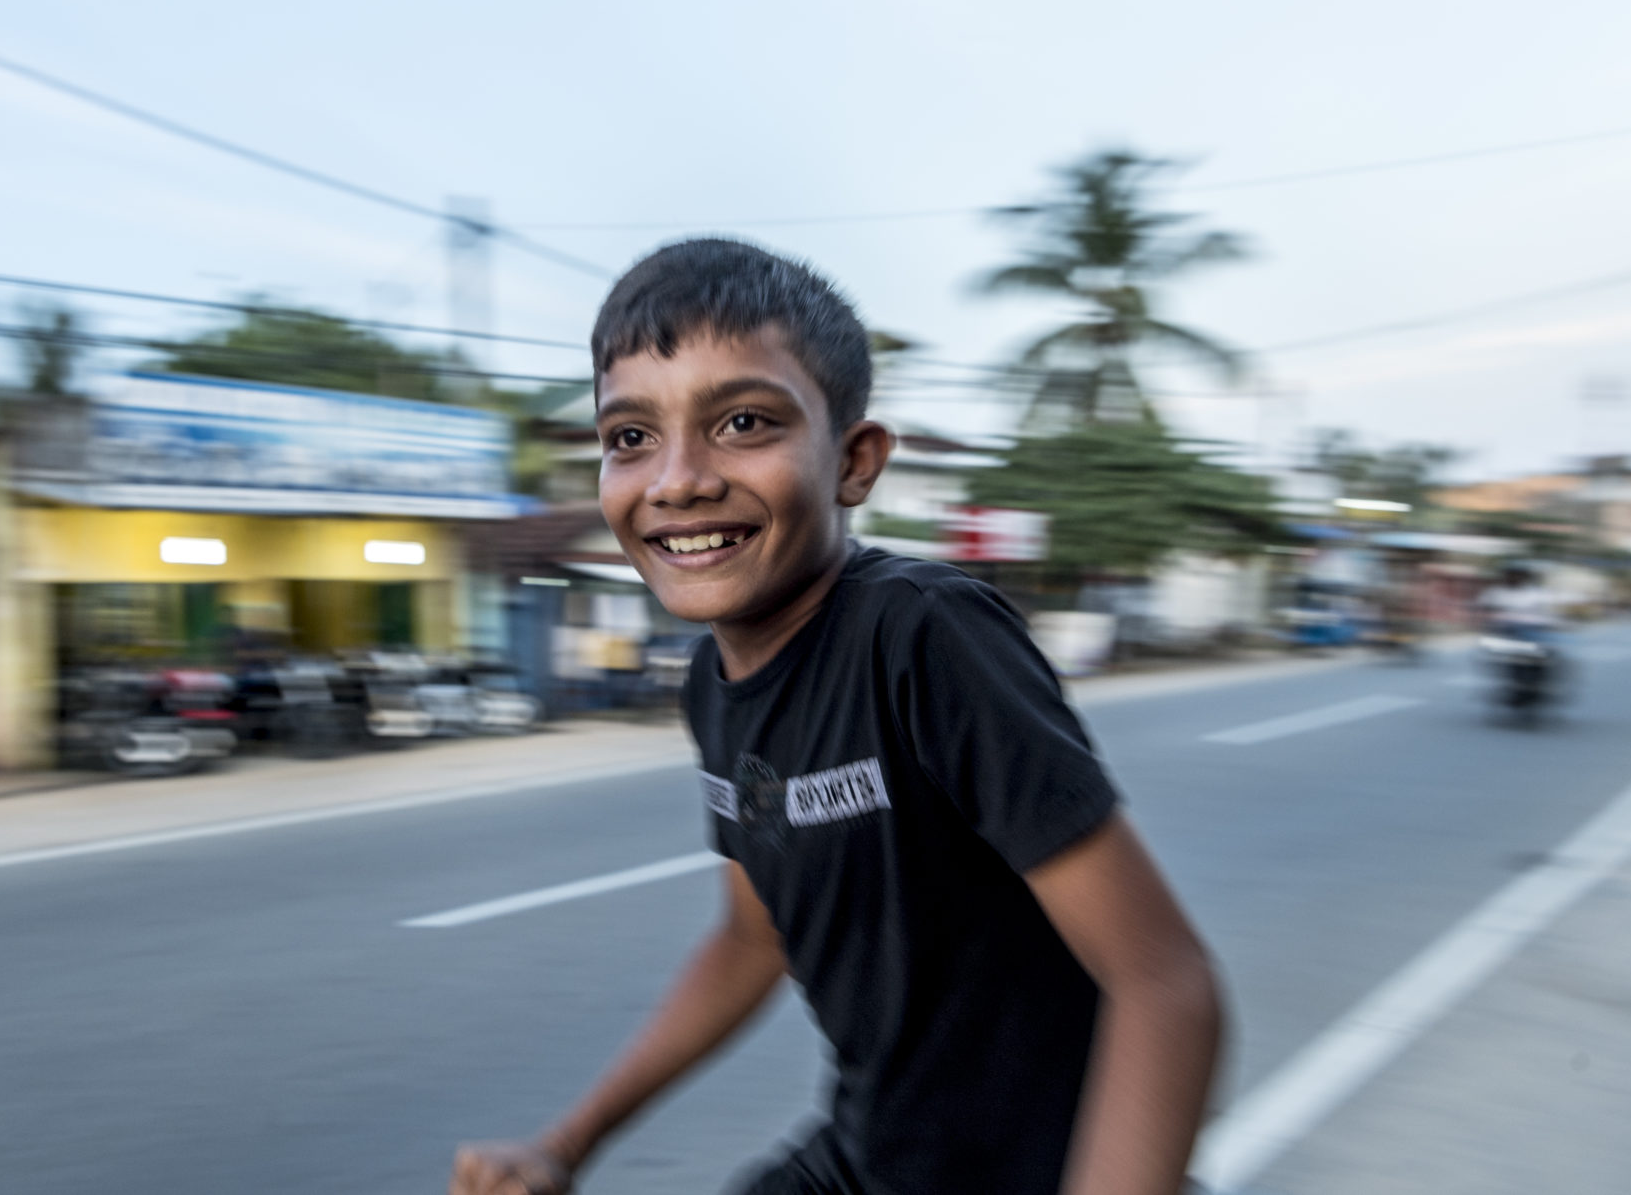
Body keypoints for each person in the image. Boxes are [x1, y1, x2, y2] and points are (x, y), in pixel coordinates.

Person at [451, 239, 1224, 1195]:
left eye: (742, 421)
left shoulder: (922, 635)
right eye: (630, 437)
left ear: (854, 462)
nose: (677, 478)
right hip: (876, 1155)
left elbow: (1165, 984)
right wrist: (566, 1143)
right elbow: (753, 935)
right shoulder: (712, 684)